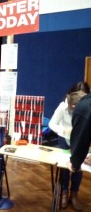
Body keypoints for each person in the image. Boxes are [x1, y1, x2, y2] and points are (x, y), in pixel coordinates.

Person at [49, 81, 90, 210]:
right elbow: (52, 124)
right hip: (65, 141)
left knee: (78, 167)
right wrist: (64, 131)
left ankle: (74, 194)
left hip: (81, 141)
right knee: (65, 169)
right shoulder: (63, 106)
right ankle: (64, 193)